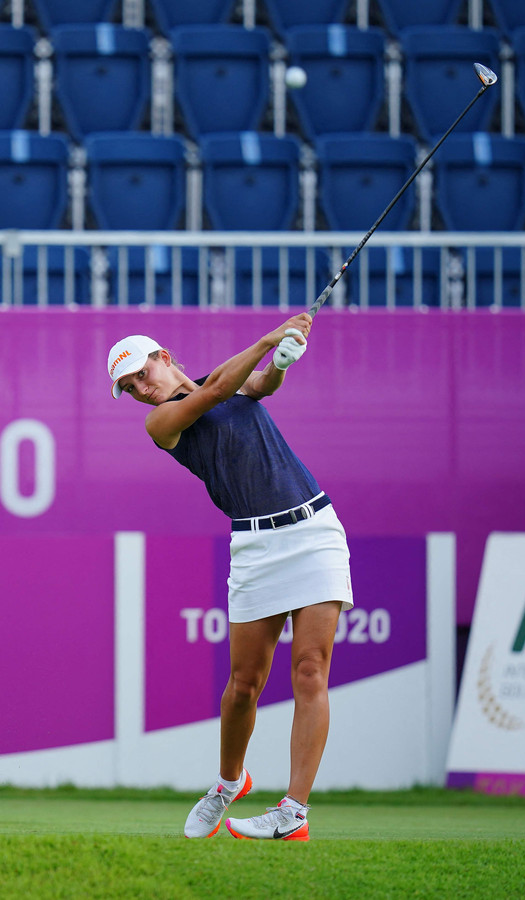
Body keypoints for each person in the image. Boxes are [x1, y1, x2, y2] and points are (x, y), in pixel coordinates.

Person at [106, 314, 353, 841]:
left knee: (310, 669)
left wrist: (280, 362)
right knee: (244, 686)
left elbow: (257, 385)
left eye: (141, 373)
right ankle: (228, 783)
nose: (140, 389)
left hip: (314, 530)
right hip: (256, 546)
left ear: (165, 357)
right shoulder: (161, 424)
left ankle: (294, 812)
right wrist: (268, 338)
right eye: (129, 388)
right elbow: (220, 388)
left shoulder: (226, 378)